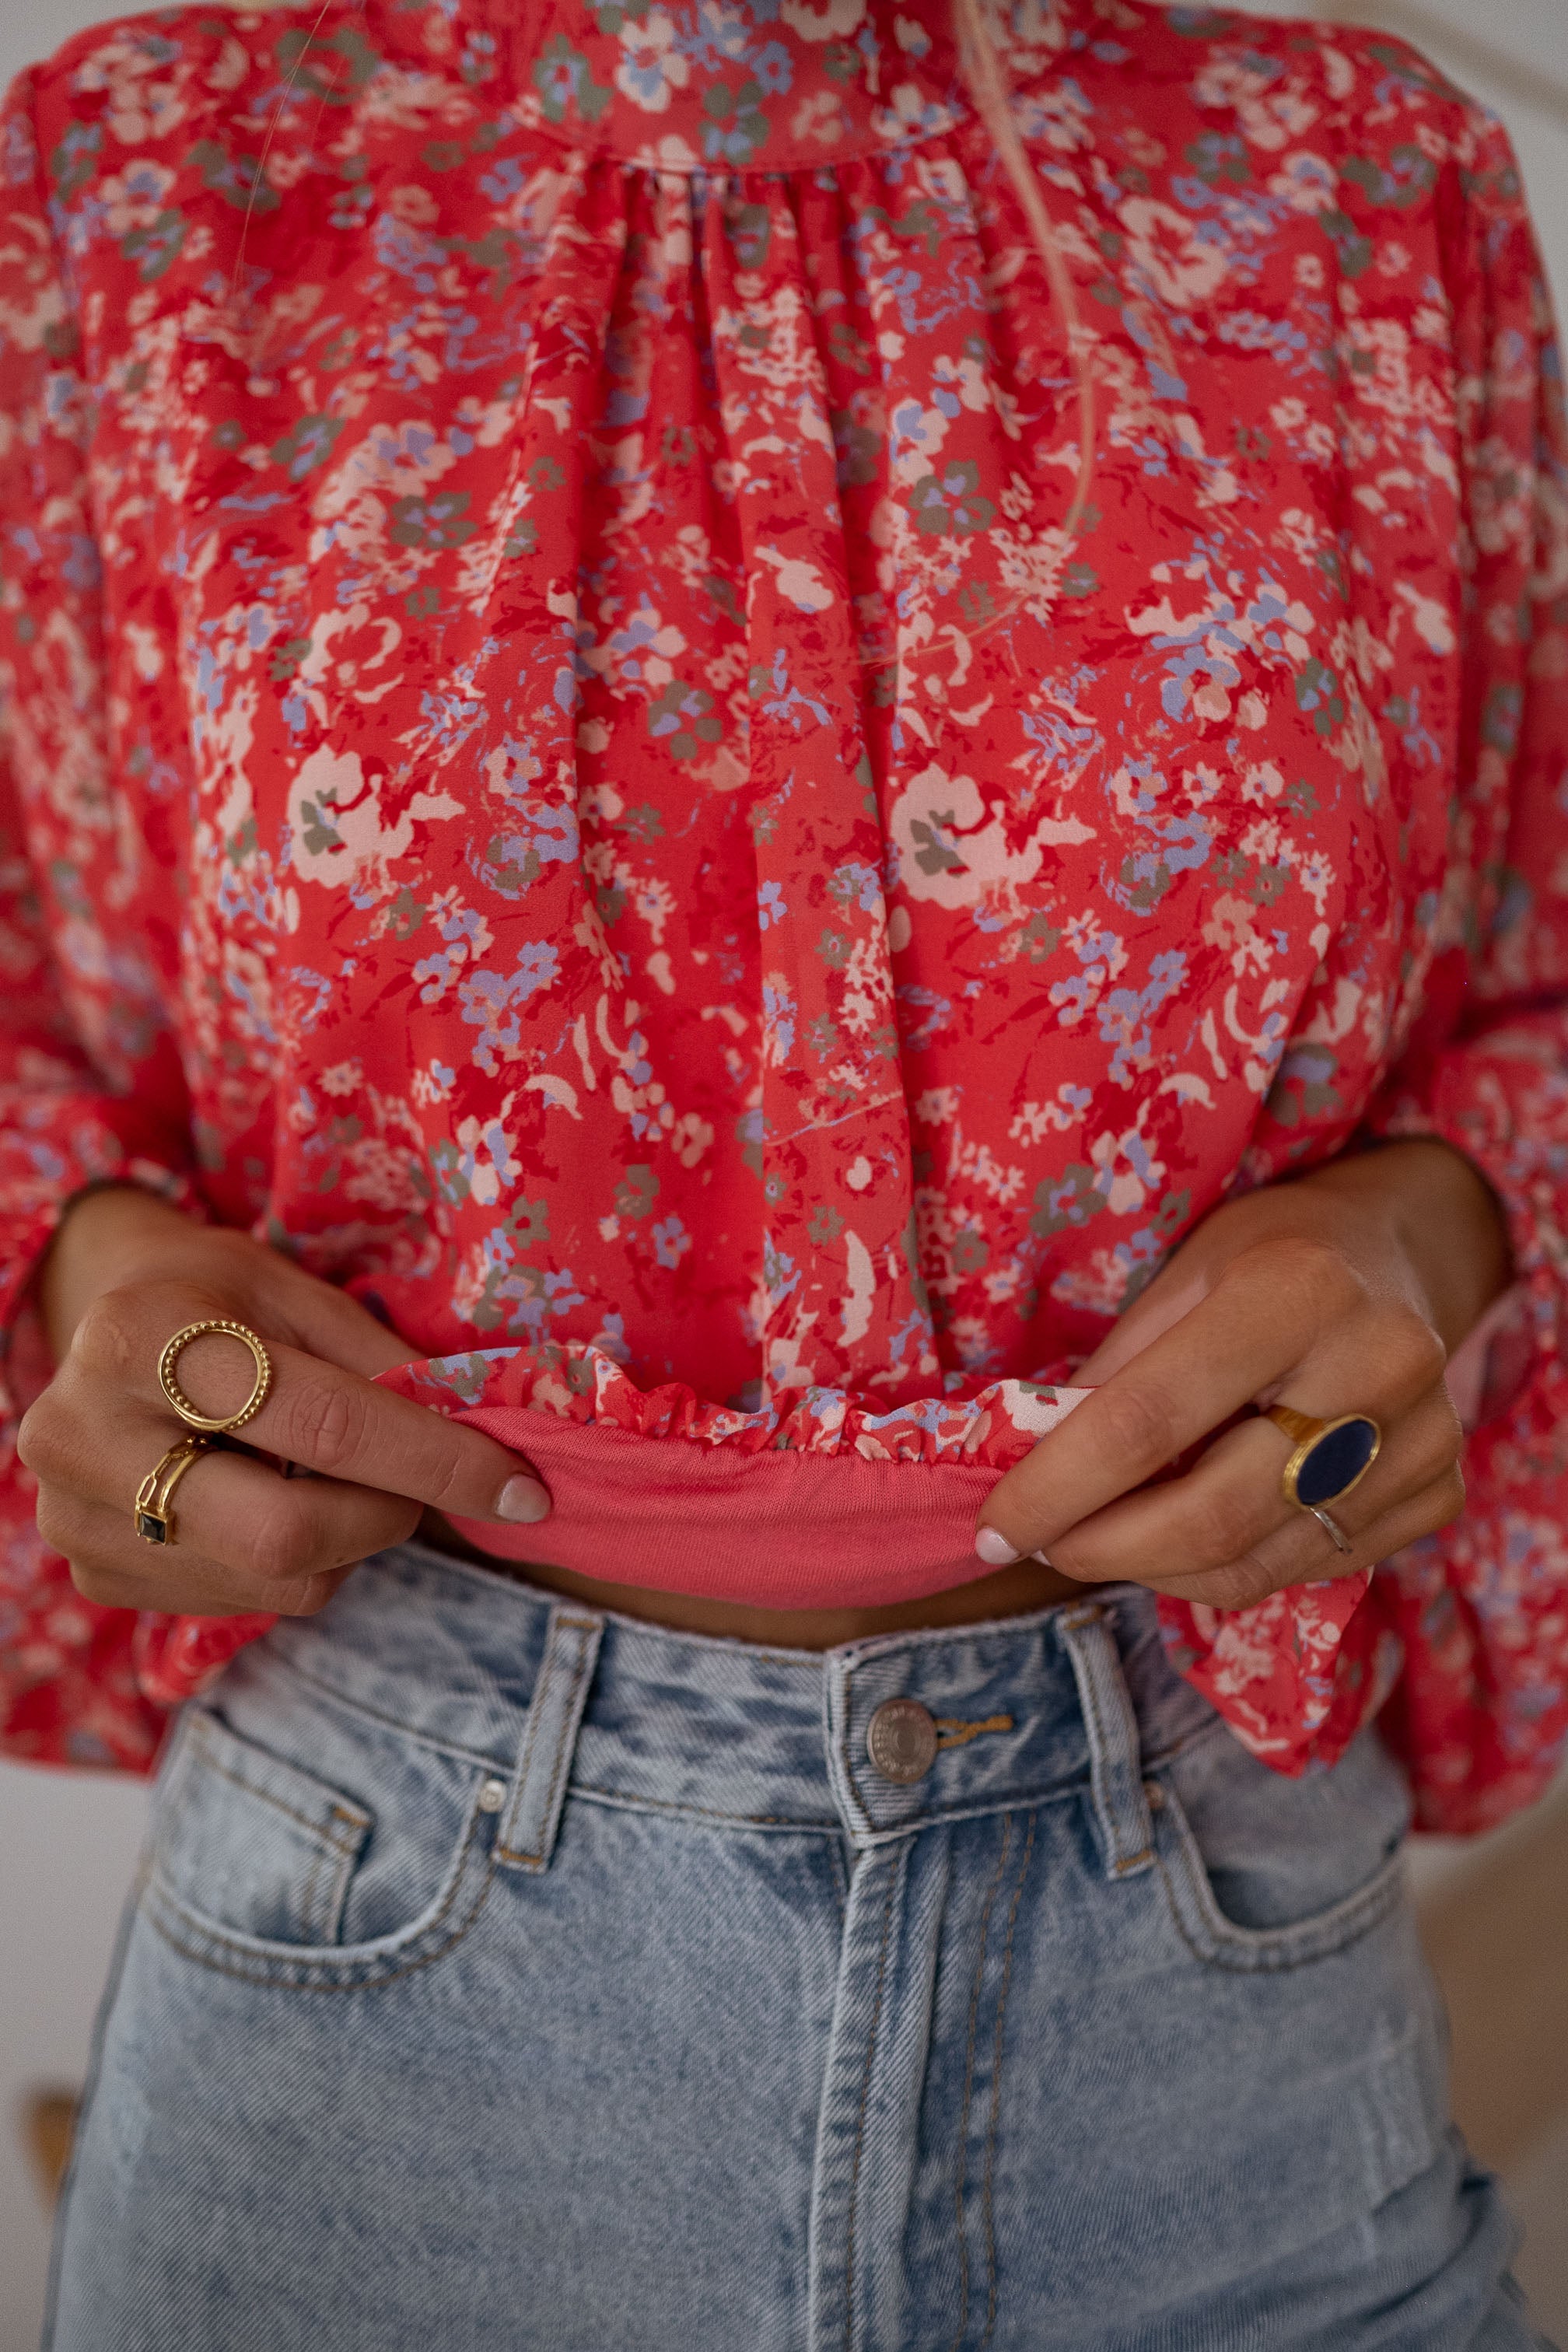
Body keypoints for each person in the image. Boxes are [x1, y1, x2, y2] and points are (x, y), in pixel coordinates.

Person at [2, 0, 1564, 2341]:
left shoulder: (1351, 173)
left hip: (1205, 1946)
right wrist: (96, 1286)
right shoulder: (140, 182)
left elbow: (1532, 966)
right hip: (386, 1946)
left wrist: (1416, 1234)